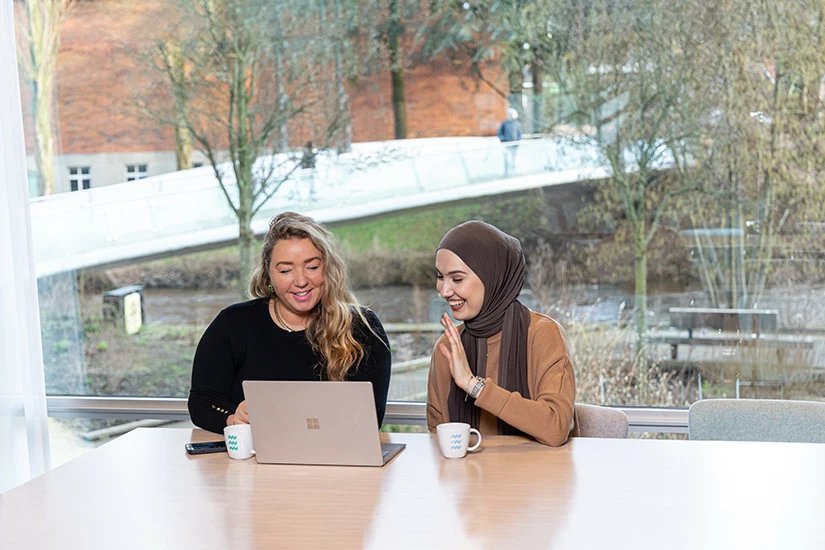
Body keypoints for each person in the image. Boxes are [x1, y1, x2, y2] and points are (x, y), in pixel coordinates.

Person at [188, 211, 392, 434]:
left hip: (334, 464)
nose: (301, 281)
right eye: (285, 270)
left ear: (328, 268)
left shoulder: (363, 328)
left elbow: (370, 420)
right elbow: (202, 403)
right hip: (250, 465)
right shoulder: (233, 324)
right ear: (269, 274)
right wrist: (232, 418)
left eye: (312, 267)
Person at [426, 221, 576, 446]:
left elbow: (556, 427)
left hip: (540, 478)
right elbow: (438, 437)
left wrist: (472, 384)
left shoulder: (543, 334)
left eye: (457, 279)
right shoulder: (447, 348)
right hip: (468, 479)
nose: (444, 291)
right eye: (440, 276)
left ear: (492, 277)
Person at [497, 107, 522, 176]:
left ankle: (514, 171)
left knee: (514, 159)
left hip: (515, 145)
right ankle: (507, 172)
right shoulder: (505, 124)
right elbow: (499, 133)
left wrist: (518, 141)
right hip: (507, 145)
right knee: (507, 159)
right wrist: (503, 141)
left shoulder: (517, 124)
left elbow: (519, 133)